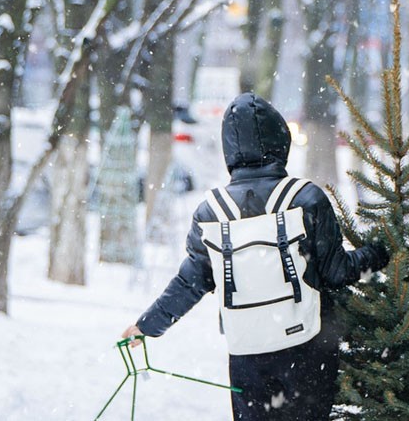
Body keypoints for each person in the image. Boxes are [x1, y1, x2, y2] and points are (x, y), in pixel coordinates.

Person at [121, 93, 390, 421]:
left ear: (229, 150)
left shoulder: (212, 212)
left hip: (247, 353)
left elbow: (190, 284)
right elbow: (338, 273)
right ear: (281, 140)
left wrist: (146, 326)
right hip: (308, 348)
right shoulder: (306, 198)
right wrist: (379, 253)